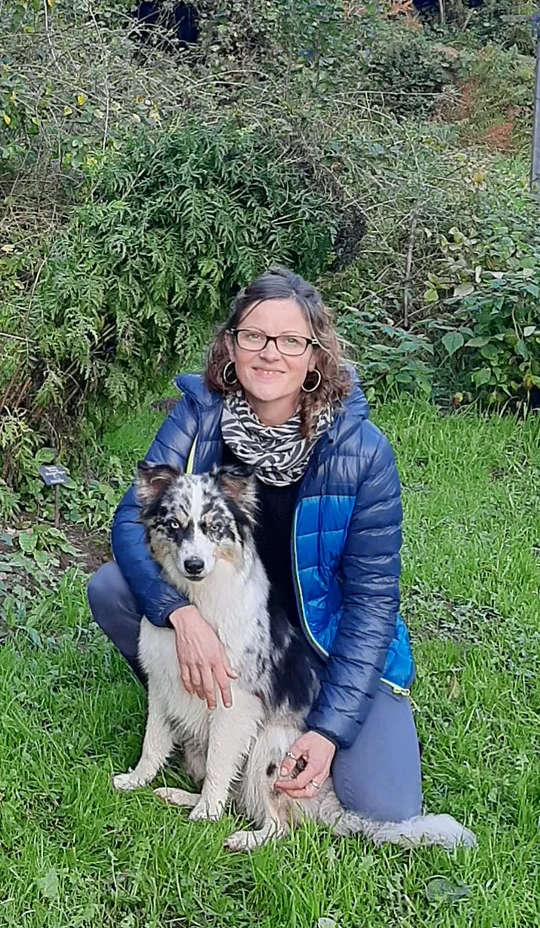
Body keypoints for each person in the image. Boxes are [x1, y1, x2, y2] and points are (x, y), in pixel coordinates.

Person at [86, 267, 424, 823]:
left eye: (290, 340)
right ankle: (199, 706)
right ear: (231, 346)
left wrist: (328, 730)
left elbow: (372, 603)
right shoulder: (200, 415)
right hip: (219, 608)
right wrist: (178, 617)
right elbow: (131, 520)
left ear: (316, 356)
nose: (270, 354)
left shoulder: (361, 453)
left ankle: (262, 725)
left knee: (386, 805)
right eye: (253, 337)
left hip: (320, 643)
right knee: (113, 589)